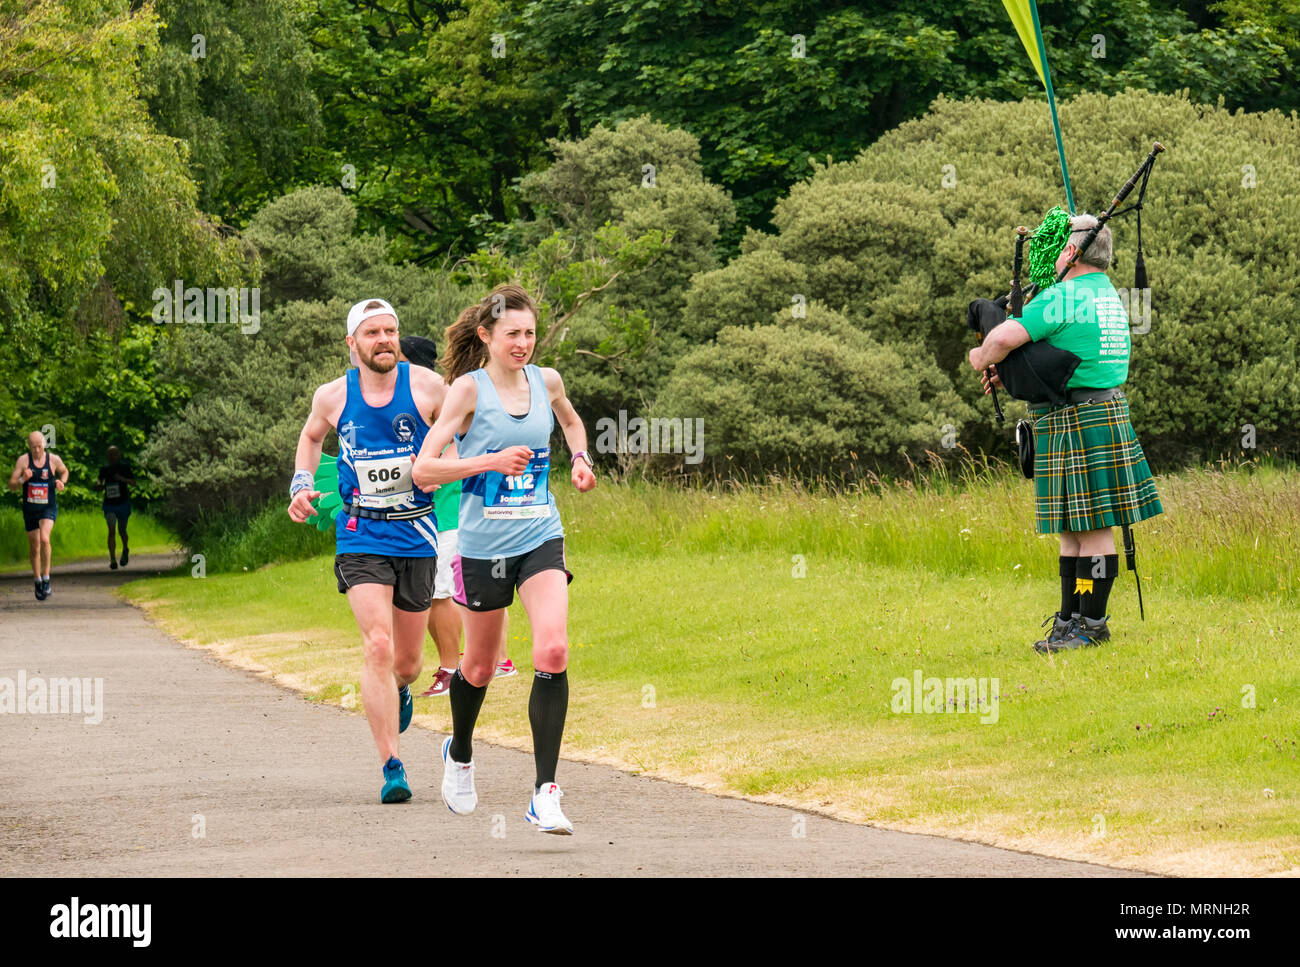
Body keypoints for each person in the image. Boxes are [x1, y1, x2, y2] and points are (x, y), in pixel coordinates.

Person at [412, 283, 596, 834]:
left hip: (540, 534)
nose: (523, 343)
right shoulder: (466, 392)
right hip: (483, 548)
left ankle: (545, 792)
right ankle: (460, 752)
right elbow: (424, 469)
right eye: (512, 333)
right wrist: (488, 461)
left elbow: (569, 421)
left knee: (555, 649)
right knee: (480, 666)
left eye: (531, 333)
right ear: (486, 336)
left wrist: (581, 458)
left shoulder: (548, 381)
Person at [968, 213, 1163, 652]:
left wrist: (980, 358)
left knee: (1091, 528)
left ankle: (1091, 626)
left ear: (1072, 252)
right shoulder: (1106, 295)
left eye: (1060, 248)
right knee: (1072, 529)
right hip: (1093, 412)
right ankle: (1071, 618)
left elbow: (1002, 339)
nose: (1055, 255)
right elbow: (1070, 352)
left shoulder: (1063, 296)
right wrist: (1016, 375)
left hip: (1081, 419)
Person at [287, 298, 448, 803]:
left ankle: (399, 689)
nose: (384, 340)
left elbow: (460, 439)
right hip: (361, 532)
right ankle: (391, 765)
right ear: (351, 343)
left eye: (391, 331)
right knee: (376, 645)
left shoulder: (427, 387)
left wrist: (452, 470)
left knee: (407, 663)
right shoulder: (332, 396)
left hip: (417, 533)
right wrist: (300, 483)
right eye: (373, 332)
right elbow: (312, 436)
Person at [400, 335, 517, 700]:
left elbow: (454, 449)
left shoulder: (444, 396)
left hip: (449, 511)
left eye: (402, 360)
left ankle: (452, 669)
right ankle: (499, 660)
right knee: (472, 588)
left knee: (440, 594)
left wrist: (431, 472)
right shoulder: (425, 397)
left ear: (415, 363)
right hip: (440, 513)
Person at [8, 431, 68, 600]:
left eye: (39, 446)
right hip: (30, 510)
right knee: (34, 547)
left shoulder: (53, 459)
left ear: (44, 444)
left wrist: (61, 482)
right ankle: (37, 580)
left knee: (44, 539)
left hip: (48, 507)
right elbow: (12, 485)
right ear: (29, 446)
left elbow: (64, 471)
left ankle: (47, 578)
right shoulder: (23, 461)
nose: (36, 450)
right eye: (33, 447)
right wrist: (22, 480)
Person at [97, 446, 136, 569]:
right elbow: (99, 480)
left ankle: (125, 549)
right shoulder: (104, 469)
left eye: (114, 454)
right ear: (107, 456)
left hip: (123, 503)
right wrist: (98, 485)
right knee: (112, 530)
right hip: (109, 504)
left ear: (119, 455)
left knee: (122, 530)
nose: (112, 456)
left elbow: (133, 483)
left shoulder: (124, 467)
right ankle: (113, 559)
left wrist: (122, 479)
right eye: (110, 454)